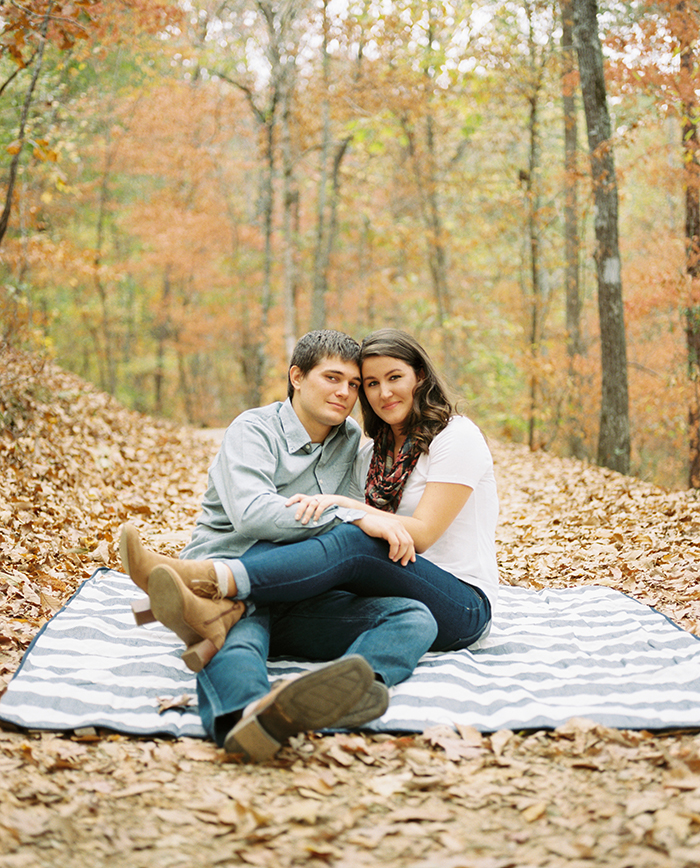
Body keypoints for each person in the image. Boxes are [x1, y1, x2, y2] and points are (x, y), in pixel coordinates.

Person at [120, 329, 438, 761]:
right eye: (331, 378)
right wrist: (351, 517)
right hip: (231, 575)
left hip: (300, 584)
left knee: (414, 615)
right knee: (240, 629)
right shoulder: (253, 429)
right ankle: (250, 716)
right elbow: (255, 515)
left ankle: (356, 692)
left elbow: (342, 527)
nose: (344, 392)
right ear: (297, 377)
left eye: (352, 383)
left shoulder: (347, 440)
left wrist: (349, 522)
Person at [151, 328, 498, 653]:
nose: (384, 392)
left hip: (460, 600)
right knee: (253, 617)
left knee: (353, 540)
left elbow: (419, 535)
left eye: (394, 378)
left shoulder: (456, 436)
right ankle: (228, 635)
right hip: (399, 588)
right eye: (372, 383)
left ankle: (210, 579)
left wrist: (344, 507)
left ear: (420, 376)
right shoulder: (372, 454)